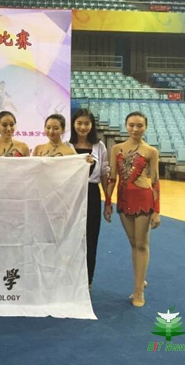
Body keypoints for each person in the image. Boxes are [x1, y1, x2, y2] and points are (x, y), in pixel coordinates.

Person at [105, 111, 160, 307]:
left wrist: (156, 210)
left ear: (145, 127)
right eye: (131, 125)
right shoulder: (117, 149)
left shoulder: (151, 151)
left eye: (139, 125)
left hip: (144, 200)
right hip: (123, 200)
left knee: (141, 244)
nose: (135, 129)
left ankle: (138, 291)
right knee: (133, 242)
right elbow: (112, 177)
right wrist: (108, 202)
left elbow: (155, 181)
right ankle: (140, 278)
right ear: (126, 126)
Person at [69, 108, 110, 291]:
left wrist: (108, 201)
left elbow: (104, 174)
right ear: (73, 124)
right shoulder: (66, 145)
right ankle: (69, 278)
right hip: (70, 195)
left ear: (92, 125)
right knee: (70, 237)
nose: (83, 127)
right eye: (79, 123)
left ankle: (87, 280)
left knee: (91, 238)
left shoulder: (99, 147)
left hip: (92, 193)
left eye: (86, 123)